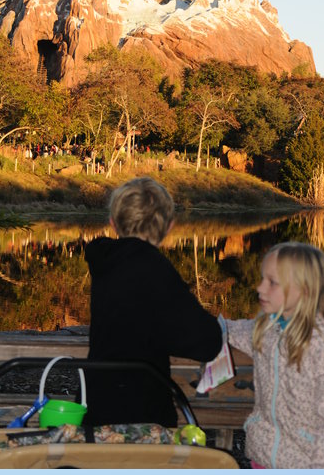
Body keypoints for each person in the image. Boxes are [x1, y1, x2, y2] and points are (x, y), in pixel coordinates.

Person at [83, 177, 222, 427]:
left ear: (113, 223)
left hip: (96, 405)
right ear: (169, 227)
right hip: (142, 415)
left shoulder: (105, 262)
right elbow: (206, 342)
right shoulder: (155, 269)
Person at [225, 242, 324, 469]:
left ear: (305, 289)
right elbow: (237, 330)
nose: (260, 288)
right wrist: (212, 329)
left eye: (272, 282)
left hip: (305, 462)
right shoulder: (268, 328)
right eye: (262, 279)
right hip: (263, 455)